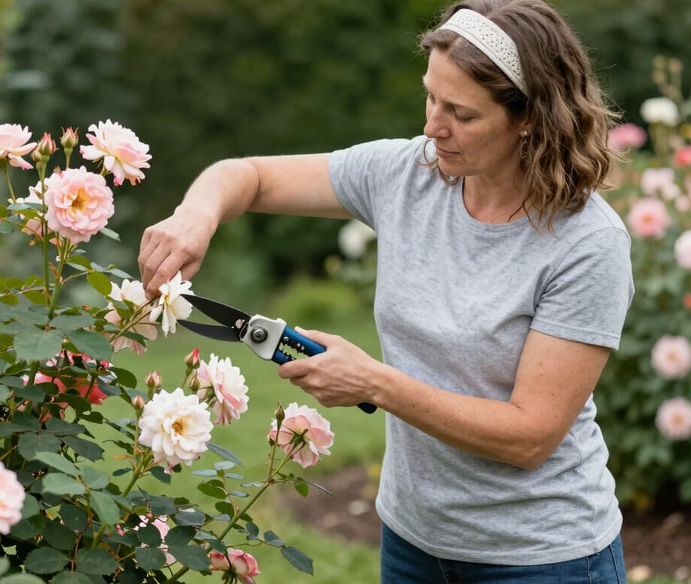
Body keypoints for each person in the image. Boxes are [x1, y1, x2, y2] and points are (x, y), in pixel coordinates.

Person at [138, 0, 634, 581]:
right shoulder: (408, 175)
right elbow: (248, 175)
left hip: (542, 558)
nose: (432, 126)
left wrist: (373, 382)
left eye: (461, 114)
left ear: (529, 118)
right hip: (412, 542)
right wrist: (197, 214)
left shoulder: (587, 243)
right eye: (430, 97)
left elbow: (529, 437)